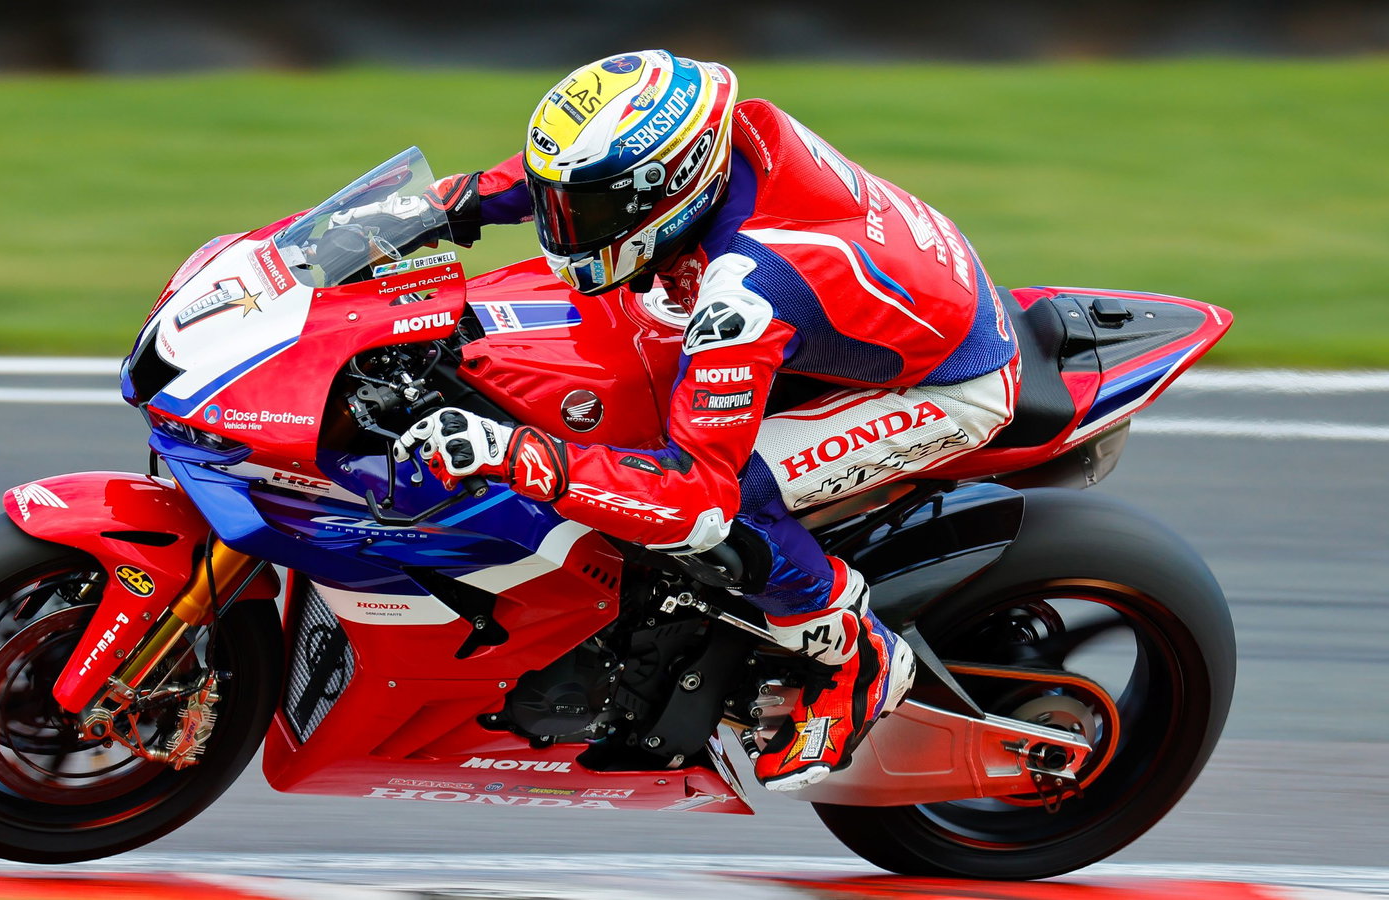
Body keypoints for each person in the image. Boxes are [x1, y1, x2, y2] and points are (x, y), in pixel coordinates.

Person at [391, 50, 1019, 791]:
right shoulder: (719, 141)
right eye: (563, 204)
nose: (562, 226)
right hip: (866, 306)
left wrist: (522, 454)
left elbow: (695, 499)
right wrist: (438, 206)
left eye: (581, 213)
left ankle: (855, 653)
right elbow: (572, 181)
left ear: (669, 193)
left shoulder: (742, 299)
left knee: (732, 503)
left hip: (945, 383)